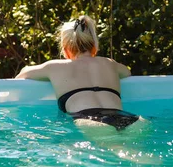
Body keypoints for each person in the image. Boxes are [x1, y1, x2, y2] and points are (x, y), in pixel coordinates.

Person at [15, 15, 143, 131]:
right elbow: (127, 72)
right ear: (94, 45)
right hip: (130, 119)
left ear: (65, 49)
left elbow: (22, 74)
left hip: (90, 121)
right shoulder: (110, 63)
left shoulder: (54, 67)